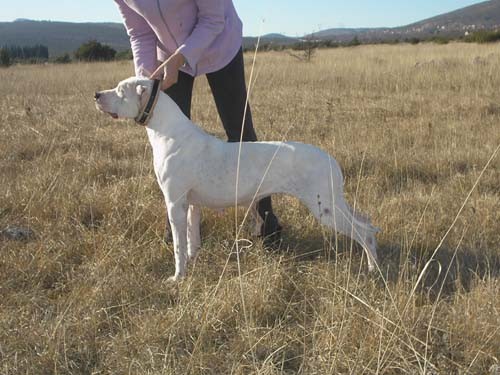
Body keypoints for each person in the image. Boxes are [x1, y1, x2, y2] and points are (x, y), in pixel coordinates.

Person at [114, 0, 282, 244]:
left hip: (219, 43)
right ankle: (178, 230)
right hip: (168, 57)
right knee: (171, 139)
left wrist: (181, 57)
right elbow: (140, 32)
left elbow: (213, 19)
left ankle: (265, 223)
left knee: (241, 133)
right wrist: (144, 81)